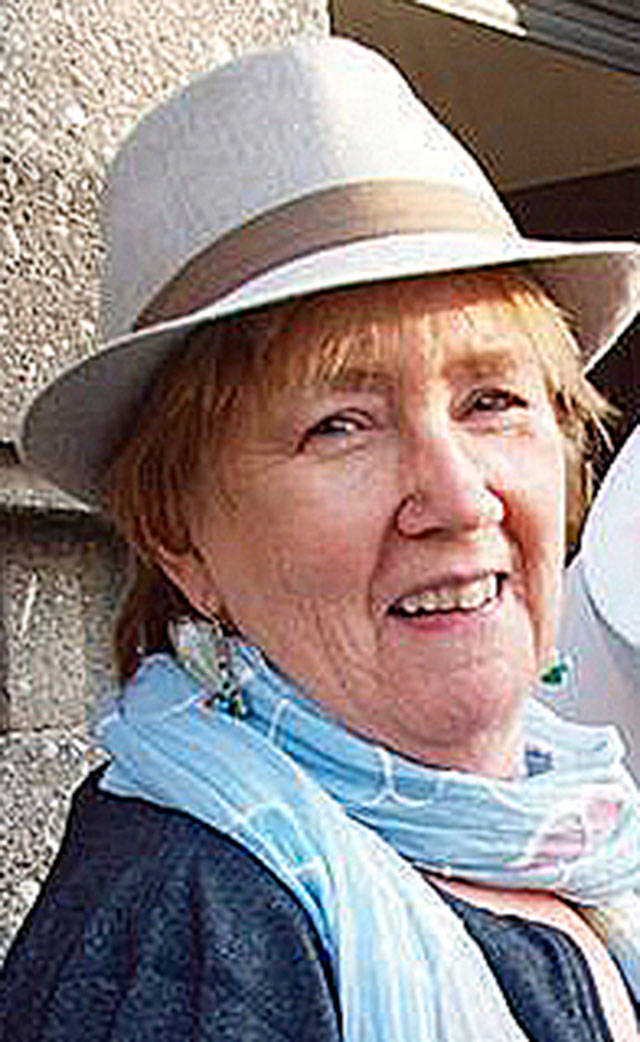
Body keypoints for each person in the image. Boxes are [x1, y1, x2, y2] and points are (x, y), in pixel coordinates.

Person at [2, 36, 640, 1042]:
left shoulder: (569, 838)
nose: (457, 497)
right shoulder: (194, 940)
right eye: (339, 424)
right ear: (180, 537)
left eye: (491, 400)